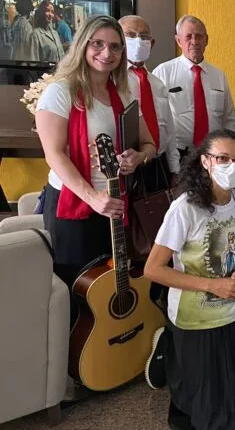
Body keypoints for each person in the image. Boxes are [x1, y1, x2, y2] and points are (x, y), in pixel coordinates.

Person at [143, 129, 235, 430]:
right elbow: (154, 269)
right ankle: (167, 348)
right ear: (206, 161)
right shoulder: (185, 208)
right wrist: (213, 286)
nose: (232, 166)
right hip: (197, 316)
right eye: (222, 158)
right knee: (210, 418)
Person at [35, 15, 157, 292]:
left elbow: (149, 144)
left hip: (115, 203)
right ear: (82, 46)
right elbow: (54, 155)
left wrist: (139, 157)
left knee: (112, 284)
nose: (107, 53)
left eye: (115, 47)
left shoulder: (124, 92)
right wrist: (92, 198)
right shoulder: (60, 92)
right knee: (78, 288)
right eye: (98, 44)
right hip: (74, 205)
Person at [153, 15, 235, 155]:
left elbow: (229, 119)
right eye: (188, 37)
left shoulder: (219, 75)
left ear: (206, 40)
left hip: (214, 153)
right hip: (177, 153)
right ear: (178, 41)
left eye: (199, 36)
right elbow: (156, 119)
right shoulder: (163, 72)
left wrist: (232, 151)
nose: (194, 41)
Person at [120, 15, 180, 190]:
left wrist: (174, 168)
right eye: (130, 34)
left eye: (144, 37)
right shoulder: (112, 81)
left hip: (157, 166)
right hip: (126, 165)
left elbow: (169, 129)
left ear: (151, 44)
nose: (138, 41)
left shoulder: (157, 83)